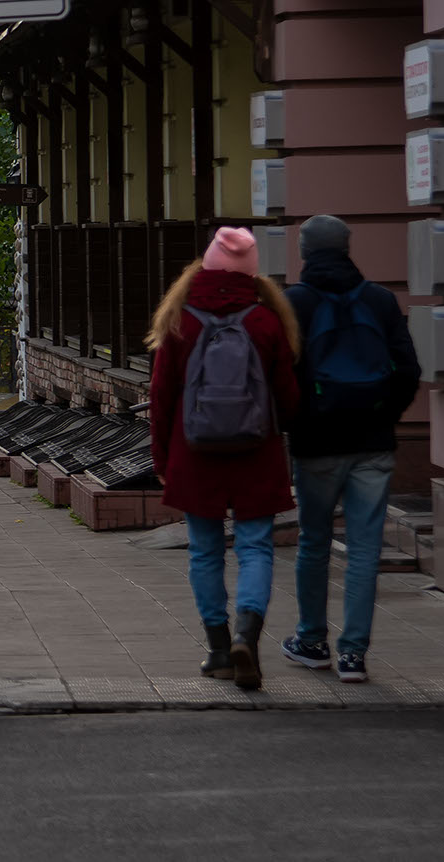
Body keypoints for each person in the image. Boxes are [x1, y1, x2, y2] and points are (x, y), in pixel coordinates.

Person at [145, 226, 300, 690]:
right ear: (252, 273)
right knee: (255, 548)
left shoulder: (180, 320)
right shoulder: (267, 321)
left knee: (206, 552)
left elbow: (161, 398)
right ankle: (246, 637)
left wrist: (162, 458)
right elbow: (288, 401)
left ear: (207, 266)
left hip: (195, 455)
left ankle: (218, 649)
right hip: (256, 453)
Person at [279, 214, 420, 685]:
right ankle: (354, 655)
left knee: (314, 543)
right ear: (346, 248)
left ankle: (312, 641)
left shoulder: (293, 302)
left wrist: (296, 421)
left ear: (305, 251)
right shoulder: (379, 300)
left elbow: (283, 375)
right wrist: (384, 414)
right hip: (373, 442)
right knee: (363, 549)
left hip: (316, 444)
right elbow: (408, 369)